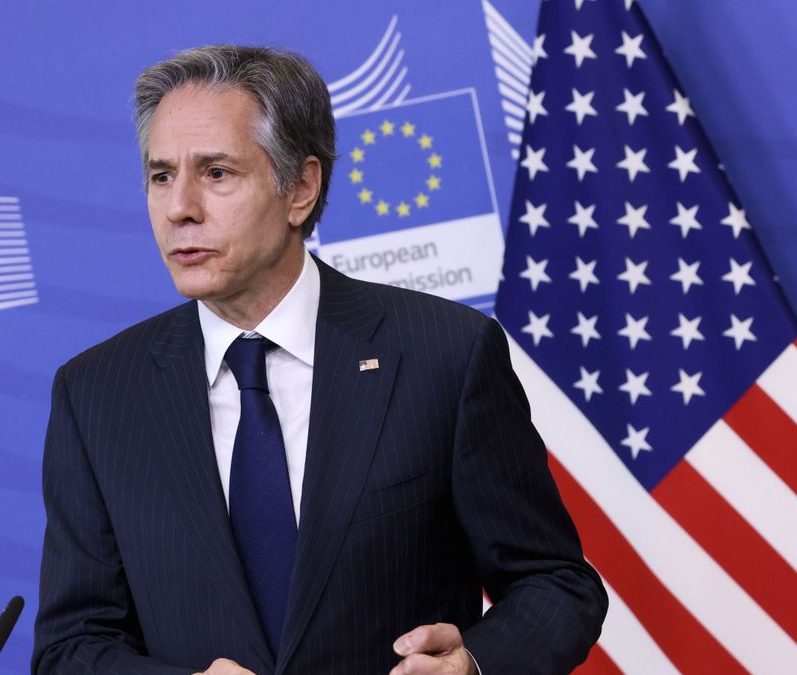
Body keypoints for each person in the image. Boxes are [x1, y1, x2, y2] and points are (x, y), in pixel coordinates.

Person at [32, 45, 606, 675]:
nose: (179, 208)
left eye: (216, 172)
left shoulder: (444, 353)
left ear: (300, 189)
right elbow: (71, 647)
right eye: (162, 175)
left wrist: (471, 663)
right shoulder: (97, 395)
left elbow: (556, 583)